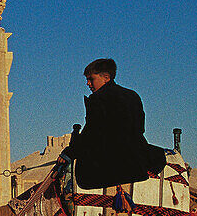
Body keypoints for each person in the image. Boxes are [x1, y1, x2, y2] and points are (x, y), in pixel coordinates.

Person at [61, 58, 166, 189]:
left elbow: (93, 133)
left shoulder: (99, 99)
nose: (88, 83)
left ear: (106, 77)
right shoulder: (132, 95)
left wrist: (70, 151)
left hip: (111, 161)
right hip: (136, 158)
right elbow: (139, 129)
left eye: (91, 79)